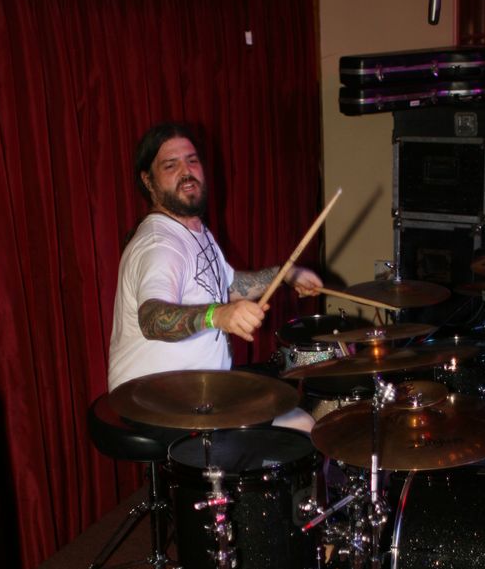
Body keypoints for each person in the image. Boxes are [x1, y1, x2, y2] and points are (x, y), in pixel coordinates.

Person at [108, 122, 323, 433]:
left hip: (195, 390)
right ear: (148, 181)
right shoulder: (159, 244)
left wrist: (285, 274)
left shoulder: (194, 230)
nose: (186, 171)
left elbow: (228, 286)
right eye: (171, 165)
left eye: (192, 160)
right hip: (155, 400)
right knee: (301, 425)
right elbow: (152, 318)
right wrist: (218, 315)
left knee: (281, 393)